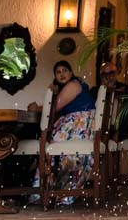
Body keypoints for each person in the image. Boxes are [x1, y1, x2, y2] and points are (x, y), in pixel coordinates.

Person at [38, 61, 96, 202]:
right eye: (58, 72)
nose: (62, 74)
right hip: (81, 124)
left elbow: (54, 107)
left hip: (80, 125)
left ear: (71, 73)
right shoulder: (72, 86)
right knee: (49, 140)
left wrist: (38, 108)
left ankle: (49, 191)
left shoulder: (73, 85)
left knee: (48, 144)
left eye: (65, 70)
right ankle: (57, 190)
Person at [91, 63, 128, 138]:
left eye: (111, 73)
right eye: (104, 74)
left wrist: (111, 90)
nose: (108, 77)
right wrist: (103, 88)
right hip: (98, 132)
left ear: (116, 73)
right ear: (101, 76)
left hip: (120, 133)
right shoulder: (94, 91)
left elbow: (126, 113)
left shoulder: (125, 89)